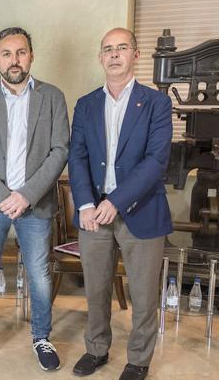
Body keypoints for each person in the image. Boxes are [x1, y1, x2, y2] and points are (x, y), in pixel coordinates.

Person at [0, 27, 69, 371]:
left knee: (38, 272)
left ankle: (41, 336)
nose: (14, 60)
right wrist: (2, 196)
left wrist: (25, 195)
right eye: (6, 53)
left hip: (34, 203)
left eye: (20, 52)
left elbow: (59, 150)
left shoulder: (52, 97)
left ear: (31, 56)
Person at [68, 27, 172, 380]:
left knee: (142, 295)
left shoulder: (157, 103)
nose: (114, 54)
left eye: (122, 47)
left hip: (141, 211)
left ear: (135, 55)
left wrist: (117, 200)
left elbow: (156, 161)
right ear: (100, 57)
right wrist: (84, 203)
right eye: (108, 49)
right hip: (93, 214)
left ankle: (138, 360)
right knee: (96, 290)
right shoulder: (86, 104)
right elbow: (77, 157)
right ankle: (96, 349)